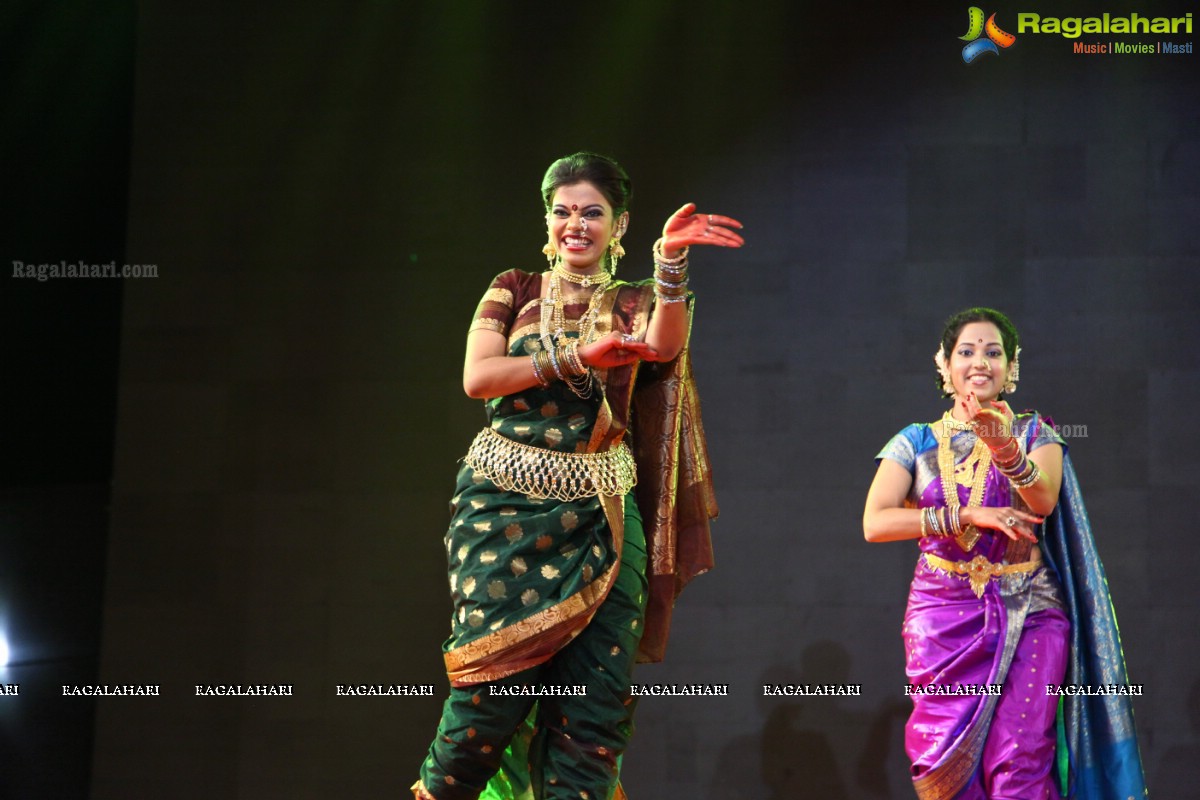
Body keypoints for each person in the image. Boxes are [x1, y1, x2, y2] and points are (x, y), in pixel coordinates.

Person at [412, 152, 743, 800]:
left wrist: (670, 261)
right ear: (547, 221)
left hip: (607, 523)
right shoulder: (514, 287)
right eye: (562, 212)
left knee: (591, 725)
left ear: (618, 226)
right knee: (485, 708)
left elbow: (663, 346)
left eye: (592, 213)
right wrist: (572, 356)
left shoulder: (637, 300)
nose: (575, 224)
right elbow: (479, 376)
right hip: (503, 515)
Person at [862, 308, 1147, 799]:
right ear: (944, 364)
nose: (980, 363)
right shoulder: (914, 441)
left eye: (994, 353)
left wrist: (1005, 450)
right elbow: (876, 521)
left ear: (1011, 368)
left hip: (1031, 611)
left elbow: (1043, 499)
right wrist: (965, 517)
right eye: (966, 352)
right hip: (941, 615)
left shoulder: (1037, 433)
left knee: (1020, 759)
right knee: (943, 768)